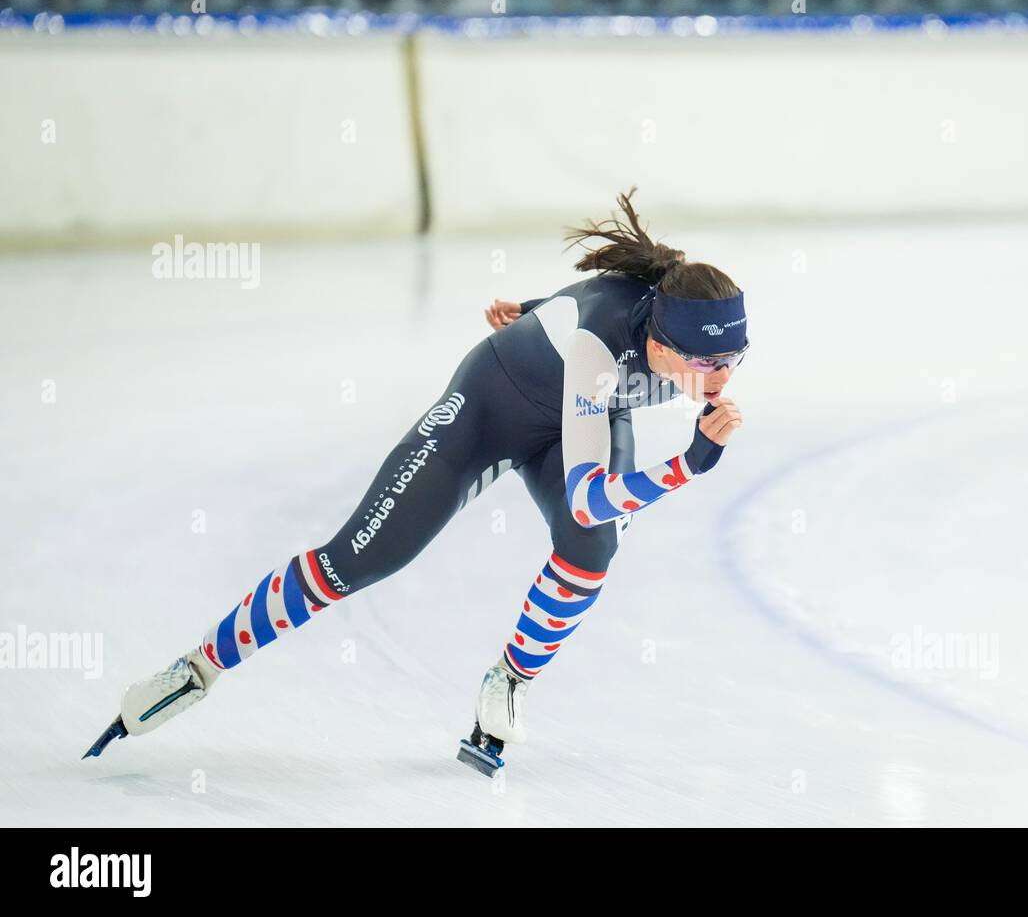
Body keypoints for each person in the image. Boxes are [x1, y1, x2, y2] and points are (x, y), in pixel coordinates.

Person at [83, 188, 748, 772]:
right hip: (491, 407)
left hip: (583, 414)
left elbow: (584, 312)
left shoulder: (673, 328)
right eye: (706, 361)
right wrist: (689, 463)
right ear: (660, 342)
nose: (720, 378)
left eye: (734, 358)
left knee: (592, 550)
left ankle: (509, 678)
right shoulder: (598, 349)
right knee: (358, 559)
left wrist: (536, 308)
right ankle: (198, 667)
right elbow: (586, 490)